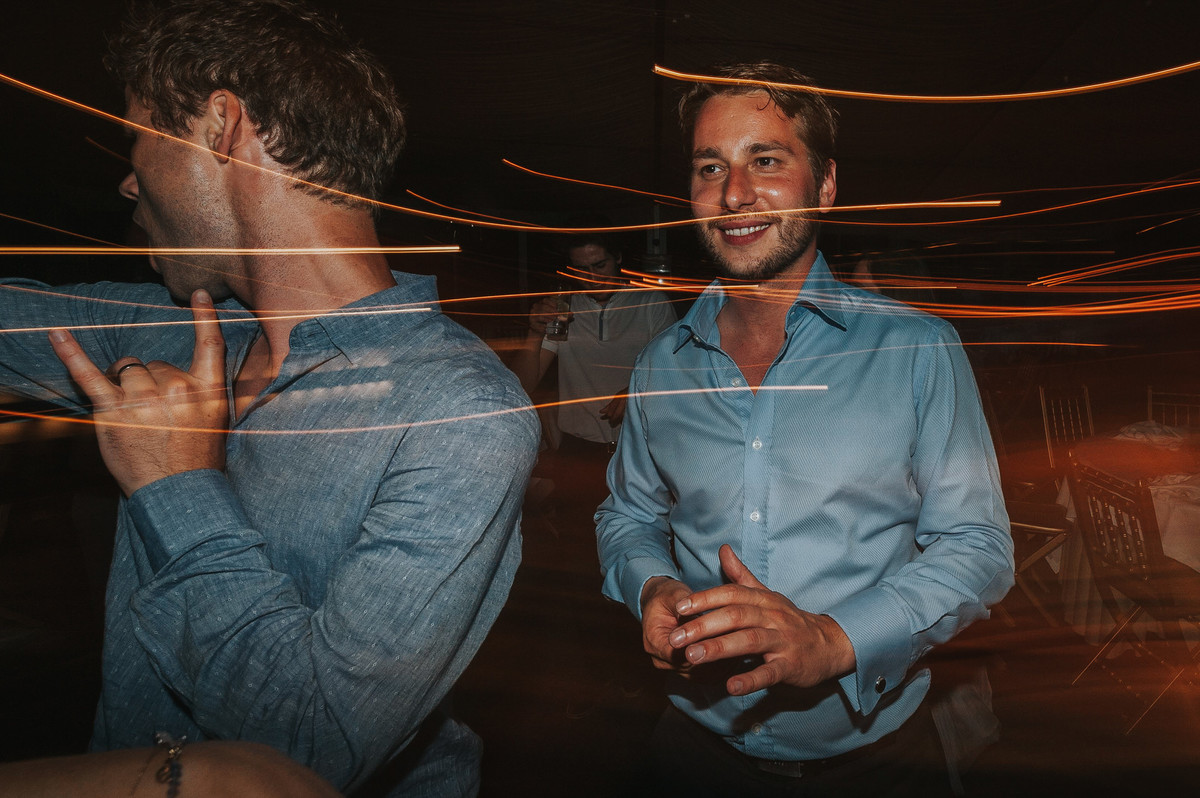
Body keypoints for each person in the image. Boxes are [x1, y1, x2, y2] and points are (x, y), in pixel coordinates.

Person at [0, 1, 538, 796]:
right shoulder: (172, 329)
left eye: (138, 136)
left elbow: (309, 747)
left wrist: (177, 487)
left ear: (220, 126)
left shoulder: (458, 413)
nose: (128, 176)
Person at [595, 62, 1014, 796]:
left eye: (766, 160)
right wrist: (651, 586)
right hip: (693, 752)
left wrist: (837, 639)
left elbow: (977, 546)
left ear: (824, 185)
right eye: (710, 167)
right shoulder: (662, 363)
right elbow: (627, 515)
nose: (734, 193)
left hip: (874, 762)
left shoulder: (916, 349)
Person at [511, 230, 675, 501]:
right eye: (582, 270)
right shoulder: (565, 307)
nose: (592, 278)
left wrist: (636, 390)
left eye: (600, 265)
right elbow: (523, 384)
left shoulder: (650, 302)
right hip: (578, 453)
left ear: (618, 258)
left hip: (637, 451)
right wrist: (534, 332)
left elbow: (672, 373)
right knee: (575, 527)